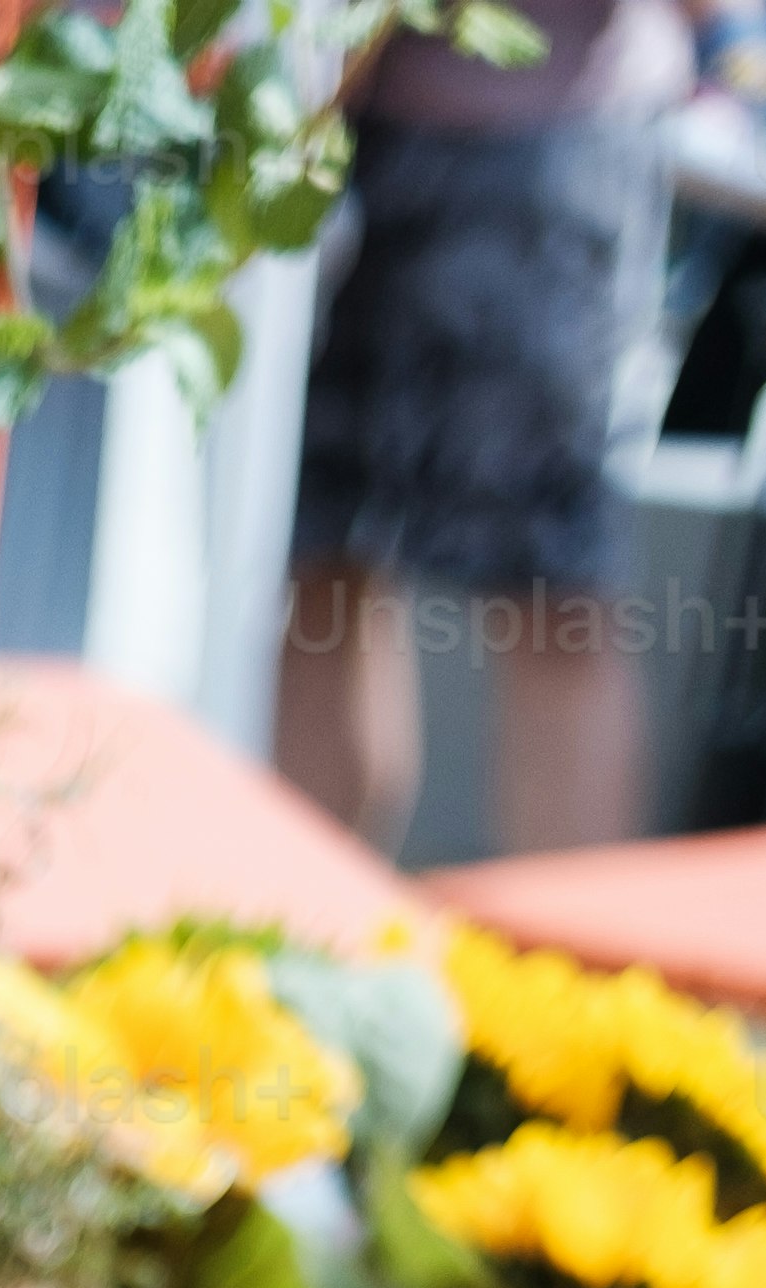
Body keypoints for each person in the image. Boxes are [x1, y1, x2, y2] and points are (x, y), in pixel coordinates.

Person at [278, 0, 700, 855]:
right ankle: (307, 938)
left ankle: (578, 972)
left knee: (550, 591)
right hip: (339, 145)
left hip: (547, 151)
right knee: (327, 563)